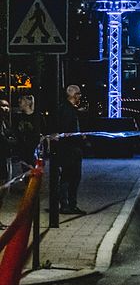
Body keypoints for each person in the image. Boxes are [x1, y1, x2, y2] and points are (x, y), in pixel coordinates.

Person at [53, 85, 86, 215]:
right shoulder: (67, 110)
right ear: (72, 95)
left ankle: (69, 204)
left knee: (72, 177)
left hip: (71, 148)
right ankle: (67, 205)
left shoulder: (69, 109)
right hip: (70, 149)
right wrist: (78, 136)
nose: (80, 96)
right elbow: (66, 131)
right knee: (70, 177)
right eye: (78, 94)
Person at [14, 95, 42, 166]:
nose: (19, 104)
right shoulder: (19, 117)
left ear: (26, 103)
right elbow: (16, 131)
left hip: (34, 148)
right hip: (23, 148)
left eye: (21, 102)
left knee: (34, 171)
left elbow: (43, 131)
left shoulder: (37, 116)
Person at [0, 99, 15, 229]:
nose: (6, 109)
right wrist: (10, 141)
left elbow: (10, 135)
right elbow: (4, 140)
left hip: (6, 158)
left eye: (7, 106)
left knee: (4, 190)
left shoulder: (5, 121)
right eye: (3, 106)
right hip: (2, 159)